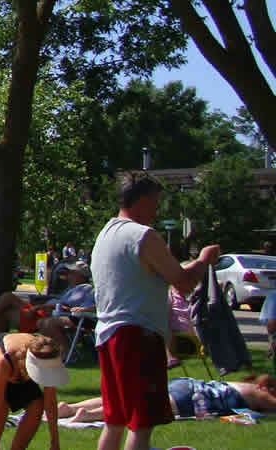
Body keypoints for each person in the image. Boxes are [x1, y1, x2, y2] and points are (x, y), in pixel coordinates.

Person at [91, 175, 221, 450]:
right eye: (155, 203)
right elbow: (184, 283)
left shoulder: (105, 235)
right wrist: (204, 261)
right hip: (137, 336)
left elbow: (148, 274)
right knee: (141, 425)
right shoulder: (143, 235)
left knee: (114, 422)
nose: (157, 210)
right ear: (142, 200)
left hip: (107, 335)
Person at [0, 333, 67, 450]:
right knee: (2, 408)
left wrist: (55, 443)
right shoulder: (5, 359)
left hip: (18, 366)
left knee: (37, 404)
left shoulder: (48, 357)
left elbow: (50, 402)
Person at [56, 375, 276, 422]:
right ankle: (90, 415)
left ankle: (70, 407)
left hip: (186, 383)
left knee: (126, 396)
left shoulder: (238, 384)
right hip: (193, 397)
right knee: (145, 408)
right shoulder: (261, 392)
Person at [32, 262, 95, 348]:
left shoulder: (84, 288)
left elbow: (66, 304)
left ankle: (65, 351)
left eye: (71, 272)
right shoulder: (71, 288)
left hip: (80, 318)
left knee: (48, 323)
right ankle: (54, 349)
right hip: (68, 315)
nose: (68, 274)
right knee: (40, 322)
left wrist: (43, 306)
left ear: (80, 275)